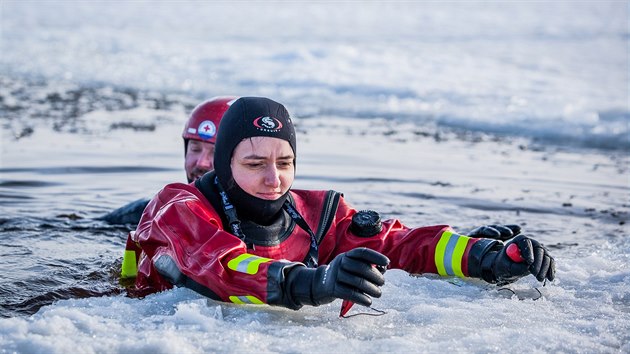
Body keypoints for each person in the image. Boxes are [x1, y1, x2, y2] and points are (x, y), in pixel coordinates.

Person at [123, 97, 555, 311]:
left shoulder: (316, 214)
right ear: (225, 162)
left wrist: (484, 256)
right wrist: (313, 284)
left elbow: (400, 243)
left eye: (285, 162)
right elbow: (219, 267)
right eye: (254, 163)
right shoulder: (177, 207)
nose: (274, 179)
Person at [101, 96, 237, 225]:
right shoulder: (152, 213)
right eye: (195, 149)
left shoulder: (255, 223)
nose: (201, 162)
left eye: (214, 152)